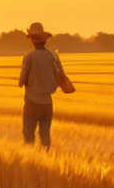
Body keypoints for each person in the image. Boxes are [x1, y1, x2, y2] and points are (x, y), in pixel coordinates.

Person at [17, 21, 73, 150]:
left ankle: (31, 162)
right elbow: (62, 79)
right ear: (45, 39)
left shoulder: (29, 57)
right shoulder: (53, 56)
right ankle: (46, 159)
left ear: (31, 39)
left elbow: (21, 82)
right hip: (48, 103)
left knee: (28, 136)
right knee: (45, 136)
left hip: (31, 102)